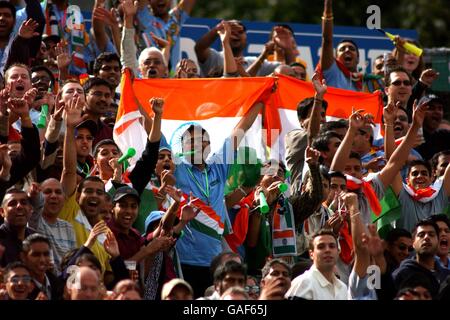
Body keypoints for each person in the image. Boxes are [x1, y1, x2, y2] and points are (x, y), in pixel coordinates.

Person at [174, 99, 264, 297]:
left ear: (209, 144)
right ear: (182, 147)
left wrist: (262, 96)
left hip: (215, 260)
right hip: (184, 259)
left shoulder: (218, 166)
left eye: (201, 140)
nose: (197, 144)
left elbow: (241, 129)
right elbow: (155, 140)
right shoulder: (177, 169)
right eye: (191, 140)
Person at [392, 219, 450, 299]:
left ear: (438, 241)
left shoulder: (446, 276)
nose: (426, 237)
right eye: (421, 235)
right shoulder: (401, 274)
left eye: (431, 234)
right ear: (413, 243)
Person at [28, 178, 77, 271]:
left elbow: (72, 263)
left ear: (64, 198)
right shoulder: (34, 221)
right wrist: (34, 195)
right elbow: (36, 205)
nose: (54, 196)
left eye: (58, 192)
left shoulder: (68, 227)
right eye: (47, 192)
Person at [135, 0, 196, 73]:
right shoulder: (145, 18)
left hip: (175, 77)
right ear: (149, 1)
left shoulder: (176, 18)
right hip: (153, 75)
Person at [286, 229, 347, 300]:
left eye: (332, 246)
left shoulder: (343, 288)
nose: (327, 250)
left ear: (338, 252)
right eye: (321, 247)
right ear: (311, 254)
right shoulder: (303, 284)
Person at [20, 233, 64, 300]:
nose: (42, 260)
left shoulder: (58, 284)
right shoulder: (19, 288)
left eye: (46, 254)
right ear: (23, 257)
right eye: (36, 255)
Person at [0, 189, 35, 266]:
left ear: (31, 209)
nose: (19, 206)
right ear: (2, 212)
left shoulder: (36, 238)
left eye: (24, 203)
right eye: (12, 203)